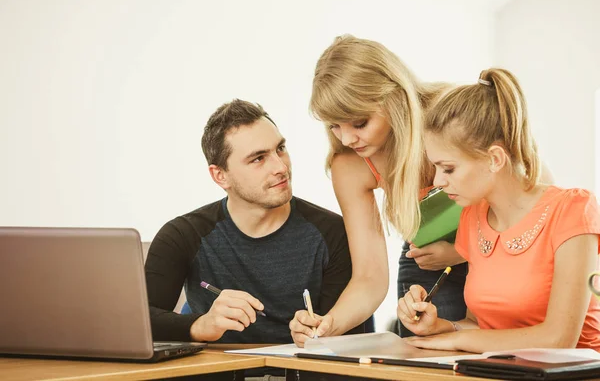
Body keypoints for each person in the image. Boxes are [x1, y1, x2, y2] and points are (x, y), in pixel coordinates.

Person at [397, 68, 600, 352]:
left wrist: (456, 339)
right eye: (436, 167)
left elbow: (558, 339)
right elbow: (481, 326)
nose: (437, 182)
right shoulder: (473, 216)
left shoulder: (574, 210)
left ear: (494, 159)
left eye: (449, 168)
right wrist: (442, 326)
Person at [290, 35, 468, 345]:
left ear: (395, 97)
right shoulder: (349, 165)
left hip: (501, 253)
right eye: (334, 125)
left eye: (359, 122)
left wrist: (461, 251)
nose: (347, 139)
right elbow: (369, 279)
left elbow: (528, 193)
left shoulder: (451, 112)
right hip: (427, 266)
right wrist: (329, 324)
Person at [145, 99, 364, 350]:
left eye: (280, 149)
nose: (281, 167)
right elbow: (140, 321)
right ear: (220, 175)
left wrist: (320, 330)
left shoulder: (333, 233)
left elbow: (351, 335)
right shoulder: (182, 235)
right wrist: (202, 325)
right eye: (258, 159)